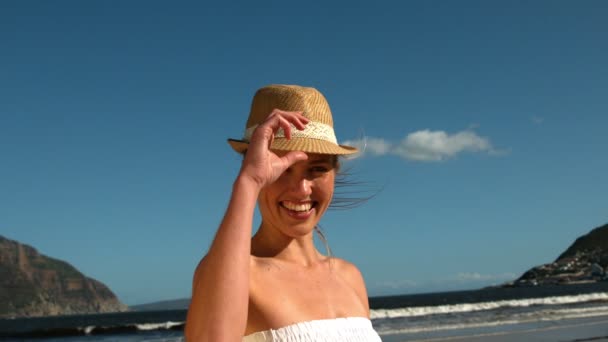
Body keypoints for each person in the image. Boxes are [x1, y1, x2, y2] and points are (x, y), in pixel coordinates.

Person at [185, 84, 382, 341]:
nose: (301, 190)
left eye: (317, 169)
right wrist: (249, 182)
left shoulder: (349, 276)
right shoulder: (237, 273)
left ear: (335, 172)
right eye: (282, 167)